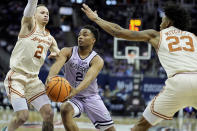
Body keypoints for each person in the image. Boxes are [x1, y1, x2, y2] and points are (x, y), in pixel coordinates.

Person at [82, 3, 197, 131]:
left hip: (179, 82)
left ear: (169, 21)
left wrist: (96, 19)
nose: (161, 21)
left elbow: (118, 31)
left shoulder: (156, 35)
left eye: (163, 18)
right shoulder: (193, 37)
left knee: (140, 127)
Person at [2, 0, 60, 131]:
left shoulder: (49, 37)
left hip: (34, 80)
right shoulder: (28, 26)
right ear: (34, 15)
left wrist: (57, 52)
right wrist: (33, 2)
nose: (46, 15)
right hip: (17, 77)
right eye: (42, 12)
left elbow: (57, 51)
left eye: (47, 13)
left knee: (49, 114)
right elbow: (28, 11)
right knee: (22, 116)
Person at [46, 25, 116, 131]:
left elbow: (88, 79)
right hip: (73, 97)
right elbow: (57, 65)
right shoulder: (67, 51)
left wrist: (76, 90)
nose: (80, 37)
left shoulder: (97, 60)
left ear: (93, 40)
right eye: (79, 35)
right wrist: (50, 77)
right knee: (65, 109)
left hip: (91, 97)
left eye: (85, 35)